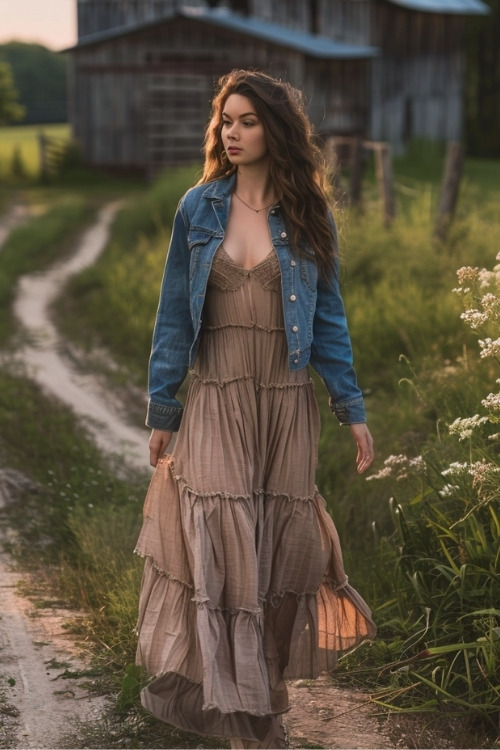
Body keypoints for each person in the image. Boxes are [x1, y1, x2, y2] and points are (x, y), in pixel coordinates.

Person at [134, 69, 376, 749]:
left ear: (276, 129)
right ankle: (238, 720)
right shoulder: (198, 208)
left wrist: (350, 407)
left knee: (276, 559)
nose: (231, 133)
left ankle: (264, 700)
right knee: (223, 548)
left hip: (284, 404)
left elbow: (329, 319)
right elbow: (172, 320)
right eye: (225, 121)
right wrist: (163, 408)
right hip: (216, 399)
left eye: (247, 121)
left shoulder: (309, 215)